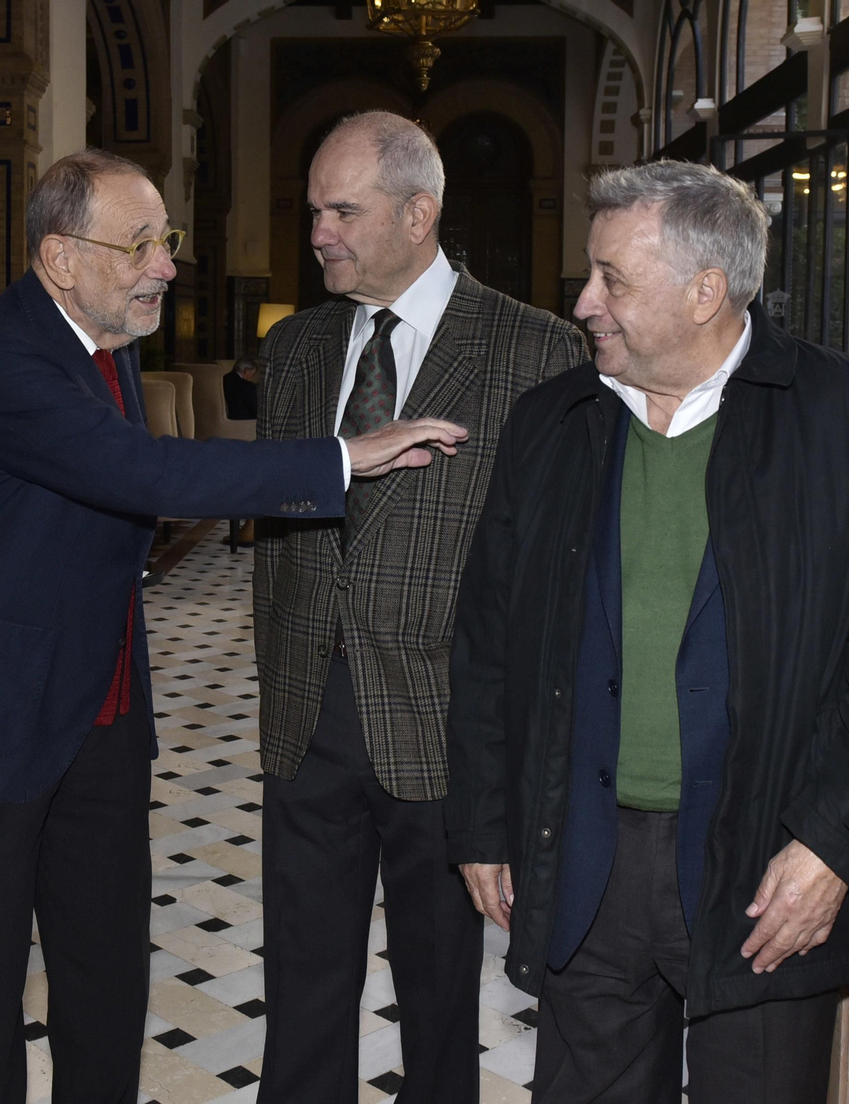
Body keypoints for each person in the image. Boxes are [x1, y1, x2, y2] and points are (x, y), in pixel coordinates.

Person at [0, 147, 466, 1104]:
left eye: (169, 240)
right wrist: (341, 460)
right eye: (142, 244)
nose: (167, 264)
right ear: (61, 258)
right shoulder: (5, 355)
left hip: (101, 721)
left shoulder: (107, 344)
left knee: (106, 975)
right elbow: (141, 475)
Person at [444, 160, 849, 1103]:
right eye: (589, 274)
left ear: (706, 291)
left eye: (613, 278)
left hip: (764, 872)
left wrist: (834, 849)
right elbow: (489, 643)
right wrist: (485, 823)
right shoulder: (548, 423)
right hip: (584, 863)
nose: (584, 300)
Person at [251, 111, 589, 1102]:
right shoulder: (294, 350)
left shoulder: (537, 351)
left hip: (451, 728)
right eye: (312, 209)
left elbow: (554, 561)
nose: (318, 231)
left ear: (418, 212)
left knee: (441, 992)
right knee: (303, 979)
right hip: (306, 712)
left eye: (342, 210)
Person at [224, 356, 260, 420]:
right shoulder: (248, 386)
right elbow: (255, 410)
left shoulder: (224, 378)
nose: (252, 377)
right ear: (246, 371)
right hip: (244, 421)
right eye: (253, 374)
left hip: (228, 418)